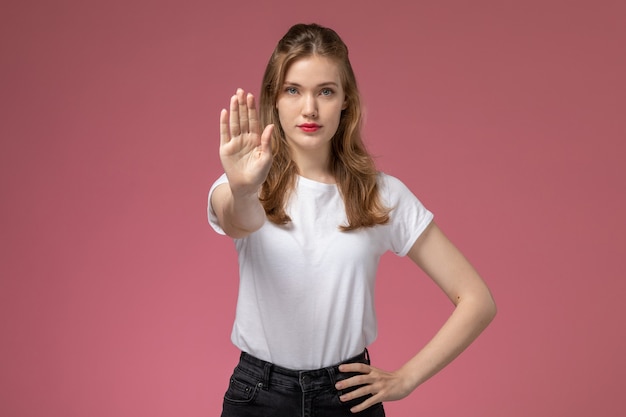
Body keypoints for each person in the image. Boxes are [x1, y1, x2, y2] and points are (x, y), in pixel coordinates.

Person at [208, 23, 496, 416]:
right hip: (259, 396)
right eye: (293, 90)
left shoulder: (382, 194)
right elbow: (237, 220)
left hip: (346, 398)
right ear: (274, 98)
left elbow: (477, 301)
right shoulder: (244, 185)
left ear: (346, 100)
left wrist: (406, 378)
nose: (309, 108)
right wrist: (243, 189)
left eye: (325, 91)